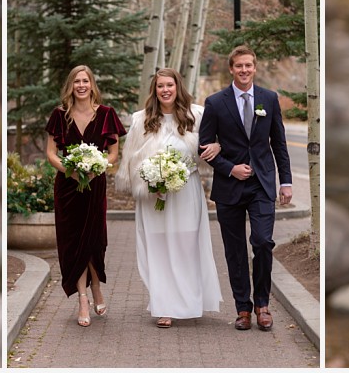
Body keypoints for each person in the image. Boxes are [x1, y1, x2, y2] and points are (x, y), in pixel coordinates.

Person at [115, 68, 223, 328]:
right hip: (154, 196)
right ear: (155, 90)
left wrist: (218, 146)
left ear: (178, 87)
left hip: (186, 192)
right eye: (160, 86)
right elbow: (130, 160)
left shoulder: (196, 115)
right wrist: (151, 179)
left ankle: (190, 301)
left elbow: (213, 146)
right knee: (159, 247)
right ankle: (164, 306)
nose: (165, 90)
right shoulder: (141, 119)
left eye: (169, 85)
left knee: (186, 244)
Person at [199, 45, 292, 331]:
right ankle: (243, 309)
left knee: (263, 242)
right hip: (229, 188)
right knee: (235, 250)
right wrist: (230, 168)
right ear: (231, 69)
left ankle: (263, 303)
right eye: (239, 66)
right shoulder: (215, 103)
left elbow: (278, 143)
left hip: (262, 184)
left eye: (248, 65)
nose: (244, 70)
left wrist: (285, 181)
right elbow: (203, 148)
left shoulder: (269, 98)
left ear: (255, 67)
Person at [45, 65, 126, 327]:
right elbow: (51, 153)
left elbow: (113, 153)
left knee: (94, 240)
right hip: (67, 188)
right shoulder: (60, 116)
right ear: (70, 86)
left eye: (85, 81)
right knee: (73, 243)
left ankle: (96, 289)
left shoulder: (106, 115)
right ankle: (82, 298)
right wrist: (70, 171)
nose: (81, 85)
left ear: (92, 84)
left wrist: (95, 168)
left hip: (94, 185)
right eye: (76, 81)